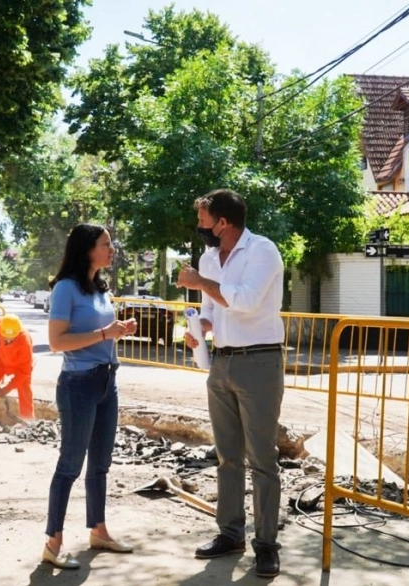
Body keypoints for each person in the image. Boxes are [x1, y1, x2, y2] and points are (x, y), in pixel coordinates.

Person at [176, 188, 286, 579]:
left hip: (259, 361)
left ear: (223, 222)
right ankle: (230, 534)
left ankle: (267, 546)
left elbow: (246, 301)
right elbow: (212, 313)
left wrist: (200, 282)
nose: (200, 227)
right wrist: (198, 329)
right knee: (227, 457)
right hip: (221, 362)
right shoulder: (209, 258)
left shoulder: (262, 251)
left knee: (262, 459)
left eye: (204, 220)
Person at [42, 223, 137, 570]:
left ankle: (98, 530)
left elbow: (101, 336)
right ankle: (53, 542)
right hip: (78, 385)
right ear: (86, 249)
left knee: (100, 465)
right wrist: (103, 333)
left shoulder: (99, 289)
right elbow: (57, 342)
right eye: (105, 244)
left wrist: (117, 332)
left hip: (106, 383)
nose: (112, 249)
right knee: (70, 465)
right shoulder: (65, 289)